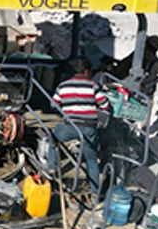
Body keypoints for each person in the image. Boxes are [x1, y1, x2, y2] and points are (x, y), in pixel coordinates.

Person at [47, 57, 110, 193]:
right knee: (91, 159)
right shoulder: (93, 86)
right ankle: (94, 193)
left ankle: (52, 168)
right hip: (88, 128)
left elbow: (53, 104)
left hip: (69, 126)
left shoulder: (63, 86)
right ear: (87, 72)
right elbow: (105, 106)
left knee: (52, 140)